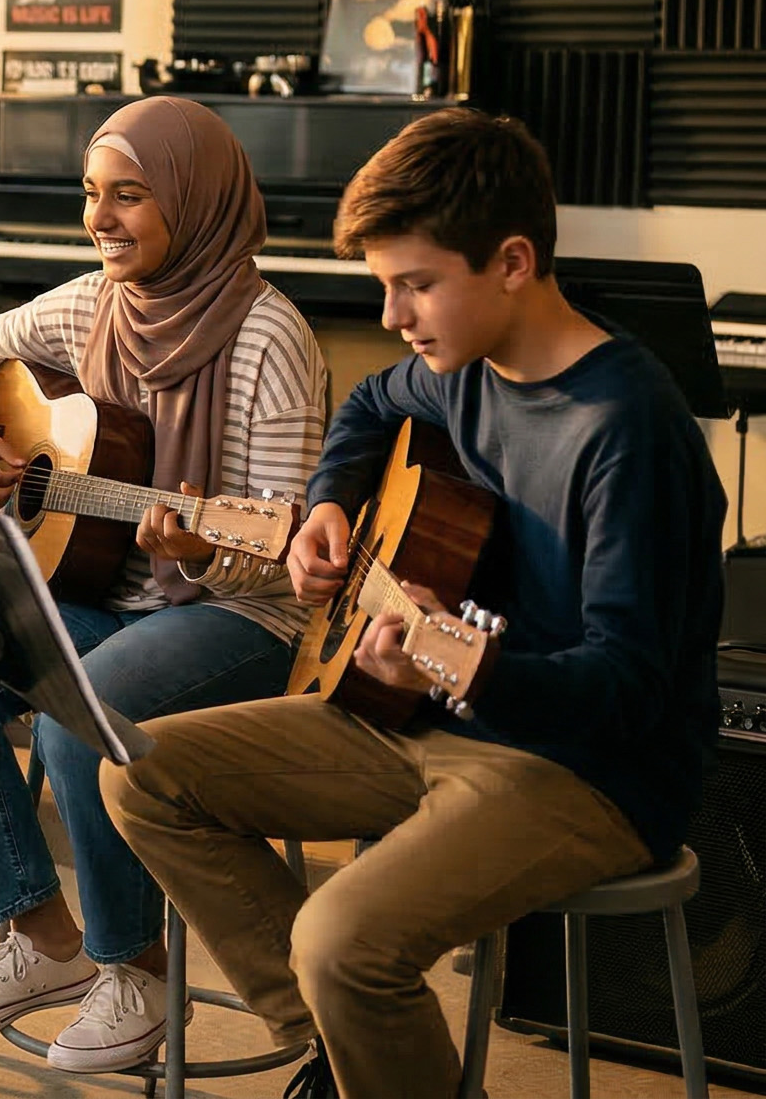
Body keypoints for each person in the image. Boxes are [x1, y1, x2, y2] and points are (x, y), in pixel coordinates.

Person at [104, 108, 726, 1099]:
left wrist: (449, 656)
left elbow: (625, 690)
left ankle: (360, 1039)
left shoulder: (628, 429)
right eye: (384, 285)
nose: (393, 316)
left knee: (338, 936)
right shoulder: (462, 369)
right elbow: (366, 405)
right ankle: (347, 1048)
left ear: (512, 262)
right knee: (140, 771)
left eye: (416, 284)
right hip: (431, 720)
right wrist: (327, 505)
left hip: (589, 773)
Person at [0, 95, 329, 1072]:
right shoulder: (93, 303)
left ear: (194, 198)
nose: (98, 218)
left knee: (78, 714)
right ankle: (42, 935)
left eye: (128, 195)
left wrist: (203, 552)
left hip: (241, 615)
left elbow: (283, 547)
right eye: (91, 194)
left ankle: (135, 966)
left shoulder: (270, 339)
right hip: (108, 601)